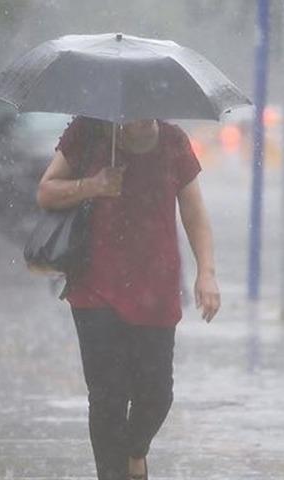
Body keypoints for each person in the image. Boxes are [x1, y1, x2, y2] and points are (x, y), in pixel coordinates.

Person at [37, 116, 220, 480]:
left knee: (157, 394)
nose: (140, 116)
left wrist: (207, 273)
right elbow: (46, 191)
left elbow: (194, 212)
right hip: (95, 285)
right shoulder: (88, 131)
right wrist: (92, 185)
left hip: (157, 285)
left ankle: (136, 451)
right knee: (107, 396)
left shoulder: (173, 141)